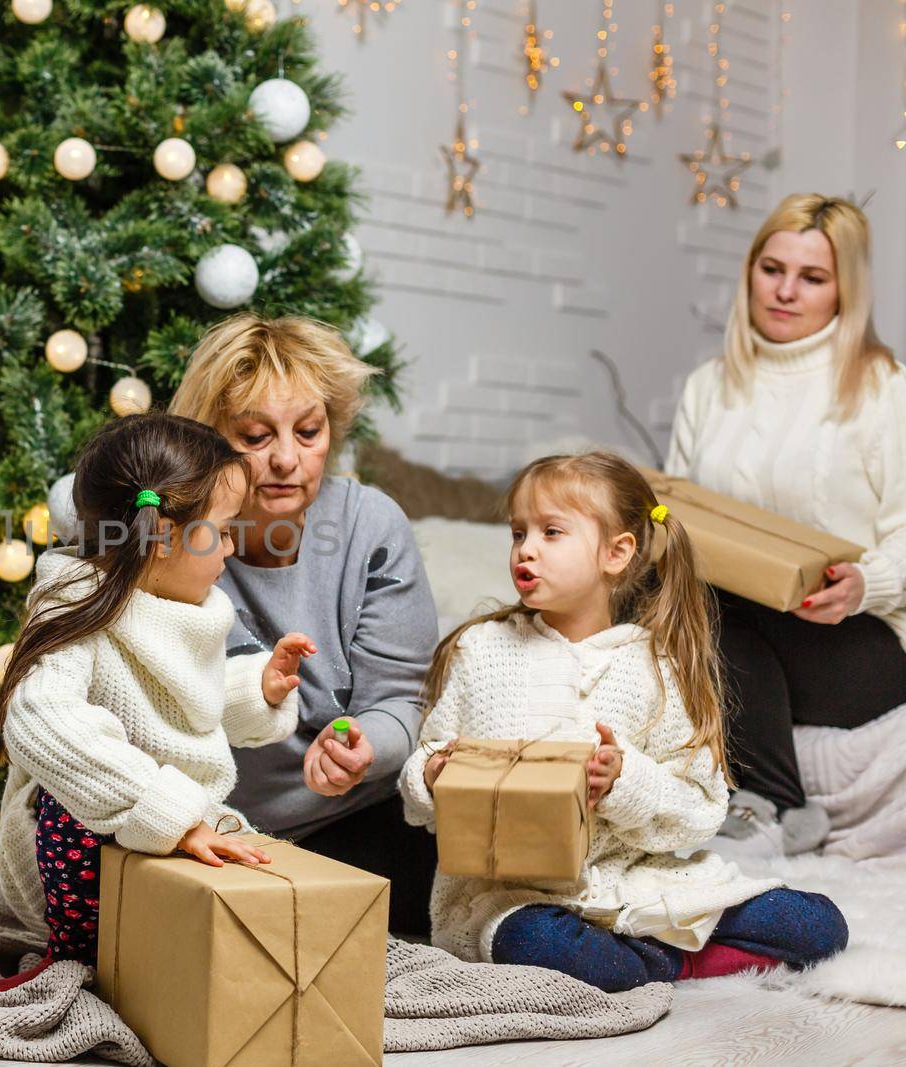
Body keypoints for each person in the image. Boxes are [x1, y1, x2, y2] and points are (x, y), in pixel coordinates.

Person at [399, 452, 847, 993]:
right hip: (515, 899)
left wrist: (623, 781)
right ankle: (672, 963)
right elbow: (421, 790)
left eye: (552, 532)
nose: (527, 548)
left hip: (636, 882)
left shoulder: (656, 668)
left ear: (617, 553)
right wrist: (430, 775)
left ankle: (643, 959)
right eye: (519, 533)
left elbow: (700, 808)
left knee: (816, 924)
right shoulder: (480, 651)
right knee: (539, 942)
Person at [0, 412, 313, 990]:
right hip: (83, 838)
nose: (233, 547)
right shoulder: (74, 602)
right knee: (69, 814)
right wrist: (170, 814)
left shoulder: (187, 604)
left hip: (173, 824)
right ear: (162, 536)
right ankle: (74, 957)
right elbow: (41, 719)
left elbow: (186, 707)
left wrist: (256, 690)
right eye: (225, 529)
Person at [169, 313, 440, 935]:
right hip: (203, 828)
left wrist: (363, 745)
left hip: (349, 819)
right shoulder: (170, 539)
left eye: (309, 432)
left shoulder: (372, 526)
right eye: (257, 436)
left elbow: (402, 701)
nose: (288, 460)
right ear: (209, 439)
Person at [667, 193, 906, 855]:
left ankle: (767, 802)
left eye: (812, 277)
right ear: (750, 270)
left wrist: (867, 583)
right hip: (734, 623)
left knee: (716, 606)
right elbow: (678, 518)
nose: (785, 291)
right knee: (692, 596)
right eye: (772, 268)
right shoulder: (708, 387)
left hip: (857, 642)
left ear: (844, 291)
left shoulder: (886, 388)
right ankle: (778, 806)